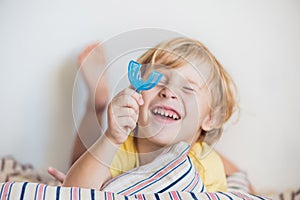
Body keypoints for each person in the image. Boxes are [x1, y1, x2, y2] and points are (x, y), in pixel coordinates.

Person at [49, 37, 254, 193]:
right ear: (137, 94)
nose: (168, 92)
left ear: (211, 118)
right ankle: (98, 104)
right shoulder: (124, 146)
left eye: (188, 89)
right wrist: (111, 138)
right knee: (80, 165)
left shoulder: (207, 165)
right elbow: (75, 192)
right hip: (108, 144)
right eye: (157, 80)